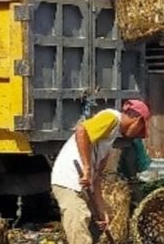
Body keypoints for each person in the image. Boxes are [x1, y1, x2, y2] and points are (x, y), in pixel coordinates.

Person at [51, 99, 152, 244]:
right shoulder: (112, 117)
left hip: (80, 184)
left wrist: (101, 209)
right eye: (140, 129)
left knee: (94, 225)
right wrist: (86, 168)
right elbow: (82, 130)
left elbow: (97, 178)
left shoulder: (109, 140)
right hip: (68, 180)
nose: (136, 134)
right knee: (78, 222)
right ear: (137, 120)